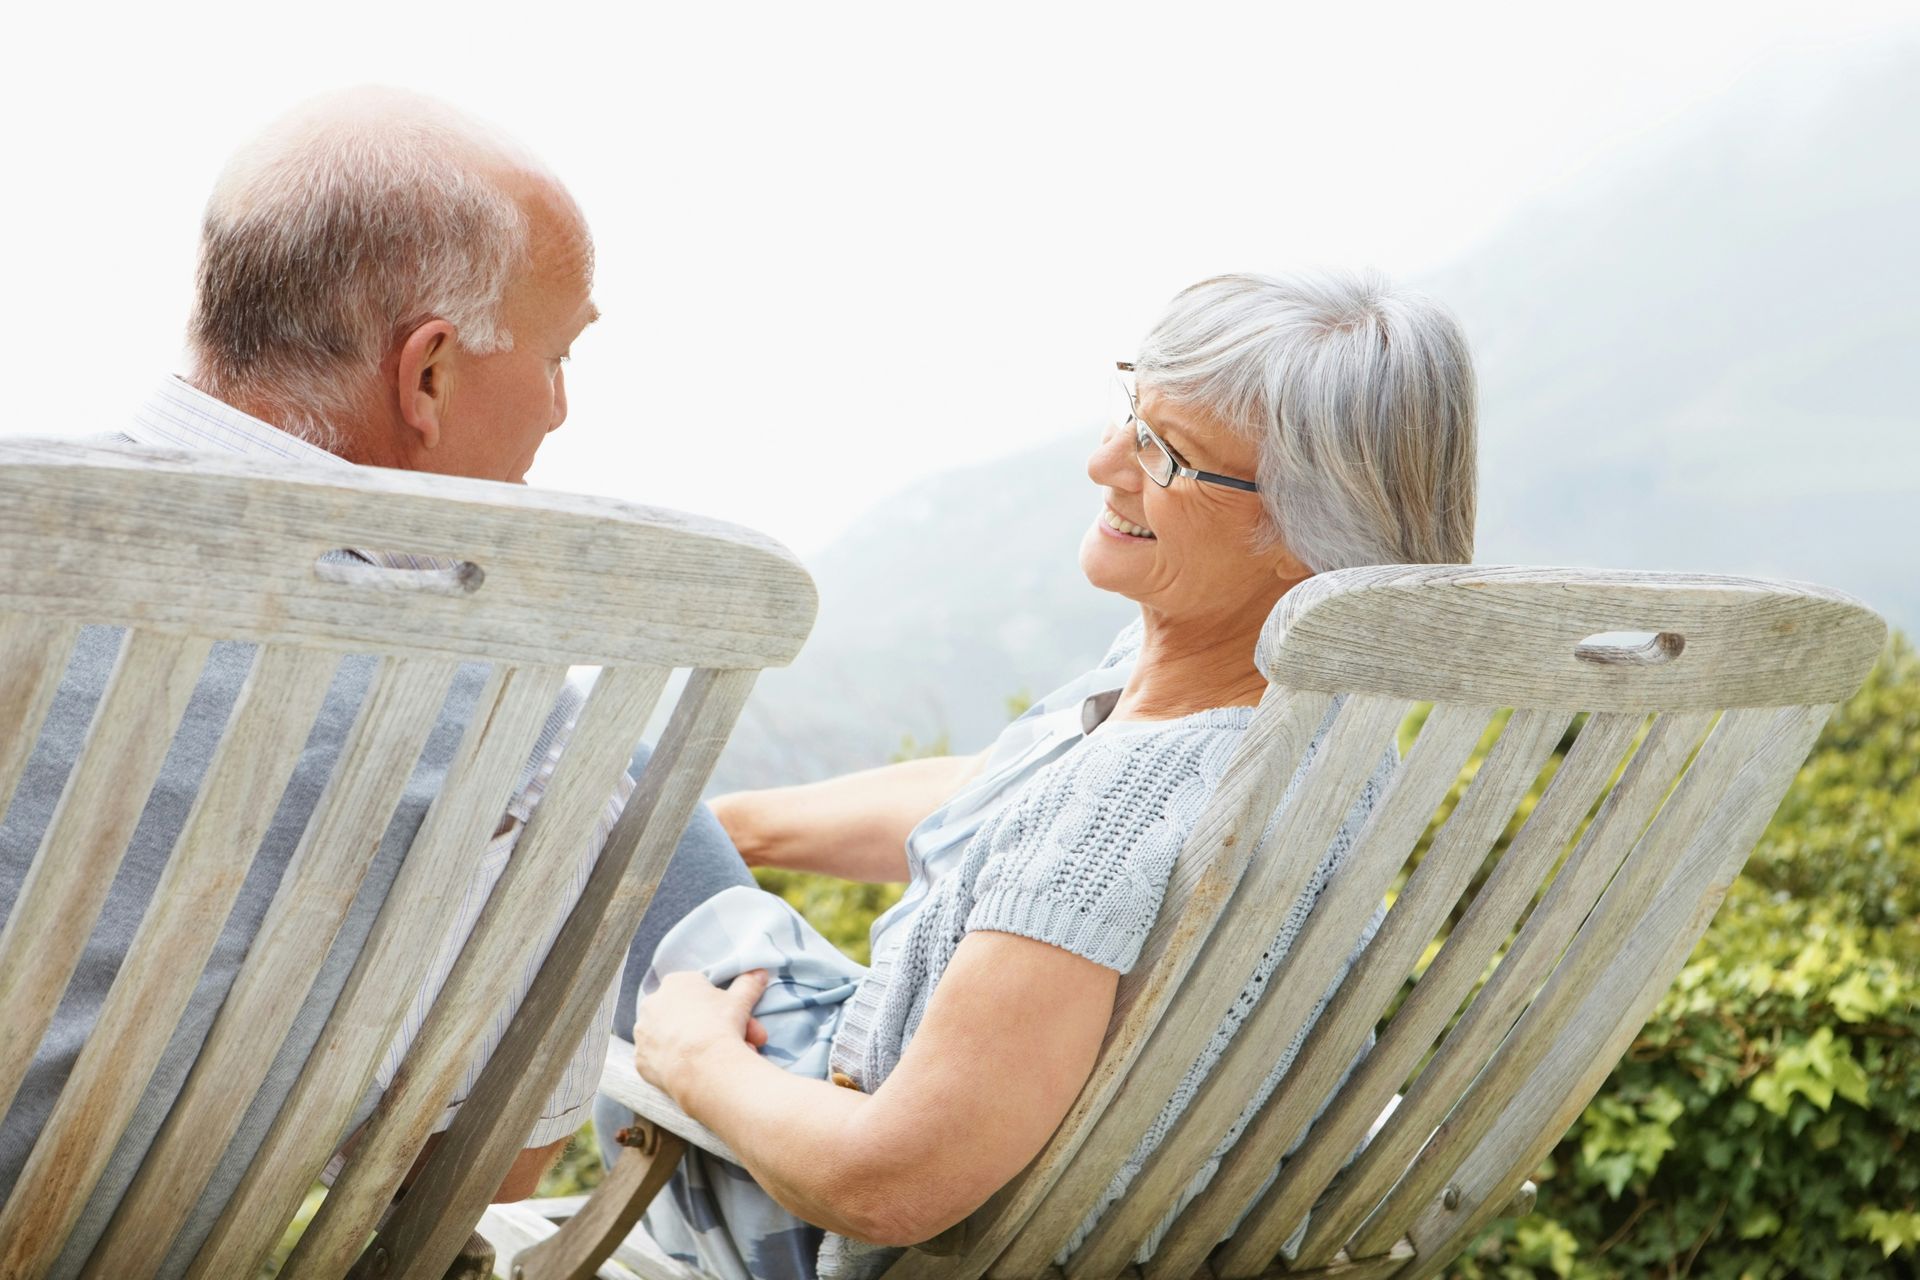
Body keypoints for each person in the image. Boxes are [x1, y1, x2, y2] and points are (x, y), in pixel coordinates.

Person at [0, 88, 753, 1277]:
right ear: (430, 375)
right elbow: (467, 1174)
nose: (562, 407)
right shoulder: (513, 726)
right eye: (560, 355)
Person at [594, 270, 1479, 1280]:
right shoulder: (1313, 736)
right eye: (1129, 412)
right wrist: (733, 829)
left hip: (808, 1219)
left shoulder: (1121, 812)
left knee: (587, 774)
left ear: (1305, 533)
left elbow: (893, 1182)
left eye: (1162, 452)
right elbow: (1009, 806)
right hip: (1071, 1200)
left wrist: (694, 1060)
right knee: (652, 811)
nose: (1105, 462)